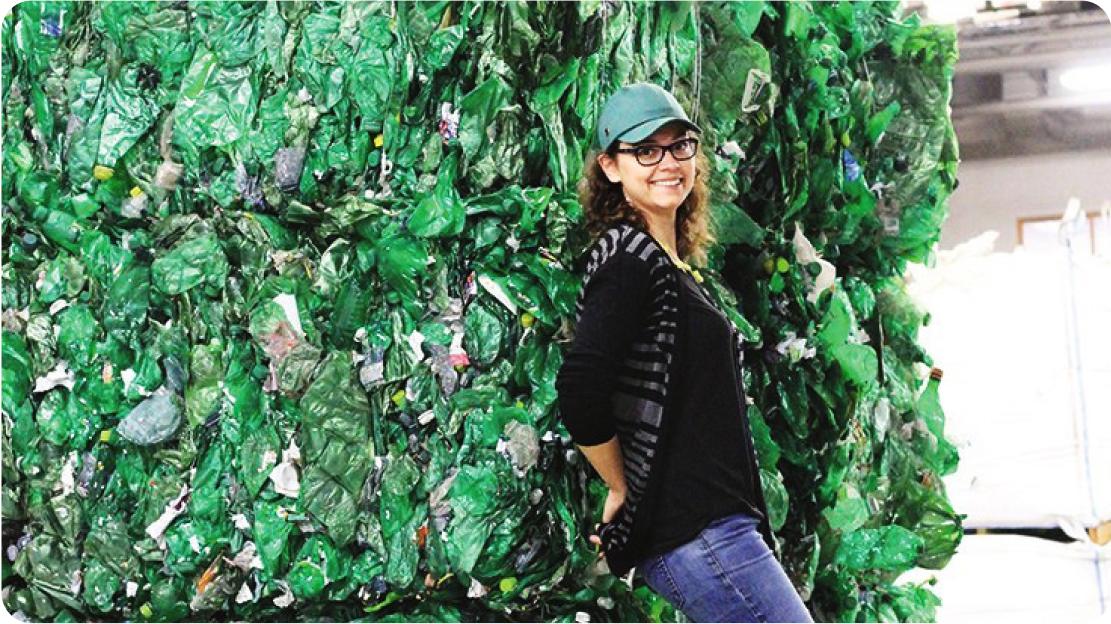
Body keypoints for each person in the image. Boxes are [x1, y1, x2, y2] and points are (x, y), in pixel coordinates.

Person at [554, 83, 814, 623]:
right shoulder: (629, 258)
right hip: (696, 532)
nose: (666, 163)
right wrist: (621, 484)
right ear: (610, 167)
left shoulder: (670, 266)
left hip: (715, 530)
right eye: (644, 151)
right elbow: (580, 386)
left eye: (679, 146)